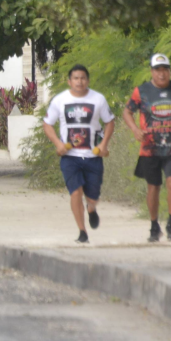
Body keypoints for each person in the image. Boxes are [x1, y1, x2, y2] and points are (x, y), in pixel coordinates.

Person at [42, 64, 116, 243]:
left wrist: (104, 145)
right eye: (75, 78)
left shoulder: (98, 99)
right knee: (75, 192)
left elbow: (110, 122)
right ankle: (82, 232)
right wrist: (58, 144)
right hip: (70, 157)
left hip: (93, 156)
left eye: (82, 78)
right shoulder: (60, 100)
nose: (79, 81)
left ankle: (91, 208)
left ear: (88, 80)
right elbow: (47, 124)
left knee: (92, 196)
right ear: (69, 81)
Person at [124, 53, 171, 242]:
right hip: (149, 147)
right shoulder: (142, 91)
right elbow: (127, 111)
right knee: (153, 187)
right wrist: (135, 129)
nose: (162, 74)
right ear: (152, 72)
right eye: (157, 70)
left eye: (165, 70)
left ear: (169, 71)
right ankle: (154, 226)